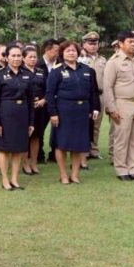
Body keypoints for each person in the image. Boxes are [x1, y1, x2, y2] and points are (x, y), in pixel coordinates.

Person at [46, 41, 101, 184]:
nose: (71, 53)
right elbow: (50, 94)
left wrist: (95, 108)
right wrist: (53, 113)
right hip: (64, 111)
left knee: (79, 144)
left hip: (83, 111)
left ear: (78, 53)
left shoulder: (87, 70)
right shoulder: (56, 71)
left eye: (74, 50)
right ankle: (64, 175)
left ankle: (75, 175)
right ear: (62, 53)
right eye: (68, 51)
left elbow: (94, 92)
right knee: (61, 144)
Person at [103, 31, 134, 182]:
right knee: (122, 139)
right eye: (130, 42)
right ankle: (121, 170)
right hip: (122, 103)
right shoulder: (113, 62)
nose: (133, 44)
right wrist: (112, 109)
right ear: (121, 43)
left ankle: (132, 168)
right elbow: (108, 87)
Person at [0, 45, 34, 190]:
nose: (16, 58)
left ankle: (14, 179)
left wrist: (31, 122)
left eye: (19, 55)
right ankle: (5, 179)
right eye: (13, 56)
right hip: (6, 114)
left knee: (18, 148)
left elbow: (31, 99)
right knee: (4, 149)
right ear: (6, 57)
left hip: (22, 114)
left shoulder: (27, 75)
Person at [79, 32, 108, 160]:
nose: (93, 46)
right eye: (90, 43)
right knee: (85, 124)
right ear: (84, 44)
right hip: (86, 96)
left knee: (96, 124)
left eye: (95, 43)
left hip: (100, 95)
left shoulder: (103, 60)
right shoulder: (80, 59)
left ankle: (94, 150)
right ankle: (84, 151)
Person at [22, 46, 48, 176]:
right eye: (30, 57)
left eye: (34, 57)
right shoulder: (20, 72)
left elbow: (48, 89)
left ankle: (34, 162)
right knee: (25, 136)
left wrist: (44, 100)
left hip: (39, 108)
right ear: (23, 58)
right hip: (25, 109)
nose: (33, 59)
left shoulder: (41, 71)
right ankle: (25, 163)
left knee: (36, 136)